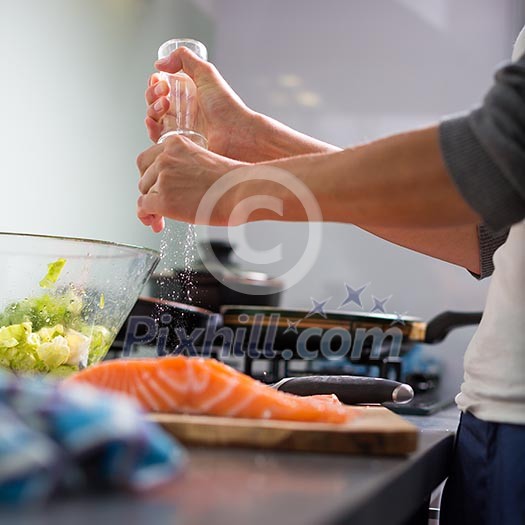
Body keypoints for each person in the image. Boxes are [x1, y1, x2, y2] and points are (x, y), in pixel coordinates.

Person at [137, 27, 525, 525]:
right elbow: (486, 235)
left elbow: (493, 158)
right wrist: (255, 141)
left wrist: (231, 188)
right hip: (496, 425)